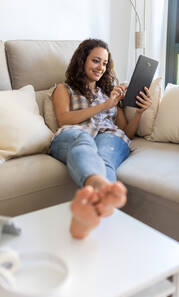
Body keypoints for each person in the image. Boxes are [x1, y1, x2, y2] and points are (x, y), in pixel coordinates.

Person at [50, 39, 152, 239]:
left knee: (105, 158)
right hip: (74, 134)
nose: (101, 68)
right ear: (82, 60)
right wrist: (105, 105)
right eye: (96, 61)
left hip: (108, 135)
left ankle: (88, 217)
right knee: (83, 140)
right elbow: (63, 119)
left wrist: (139, 112)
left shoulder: (109, 93)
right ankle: (97, 184)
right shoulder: (64, 88)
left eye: (104, 64)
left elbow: (125, 131)